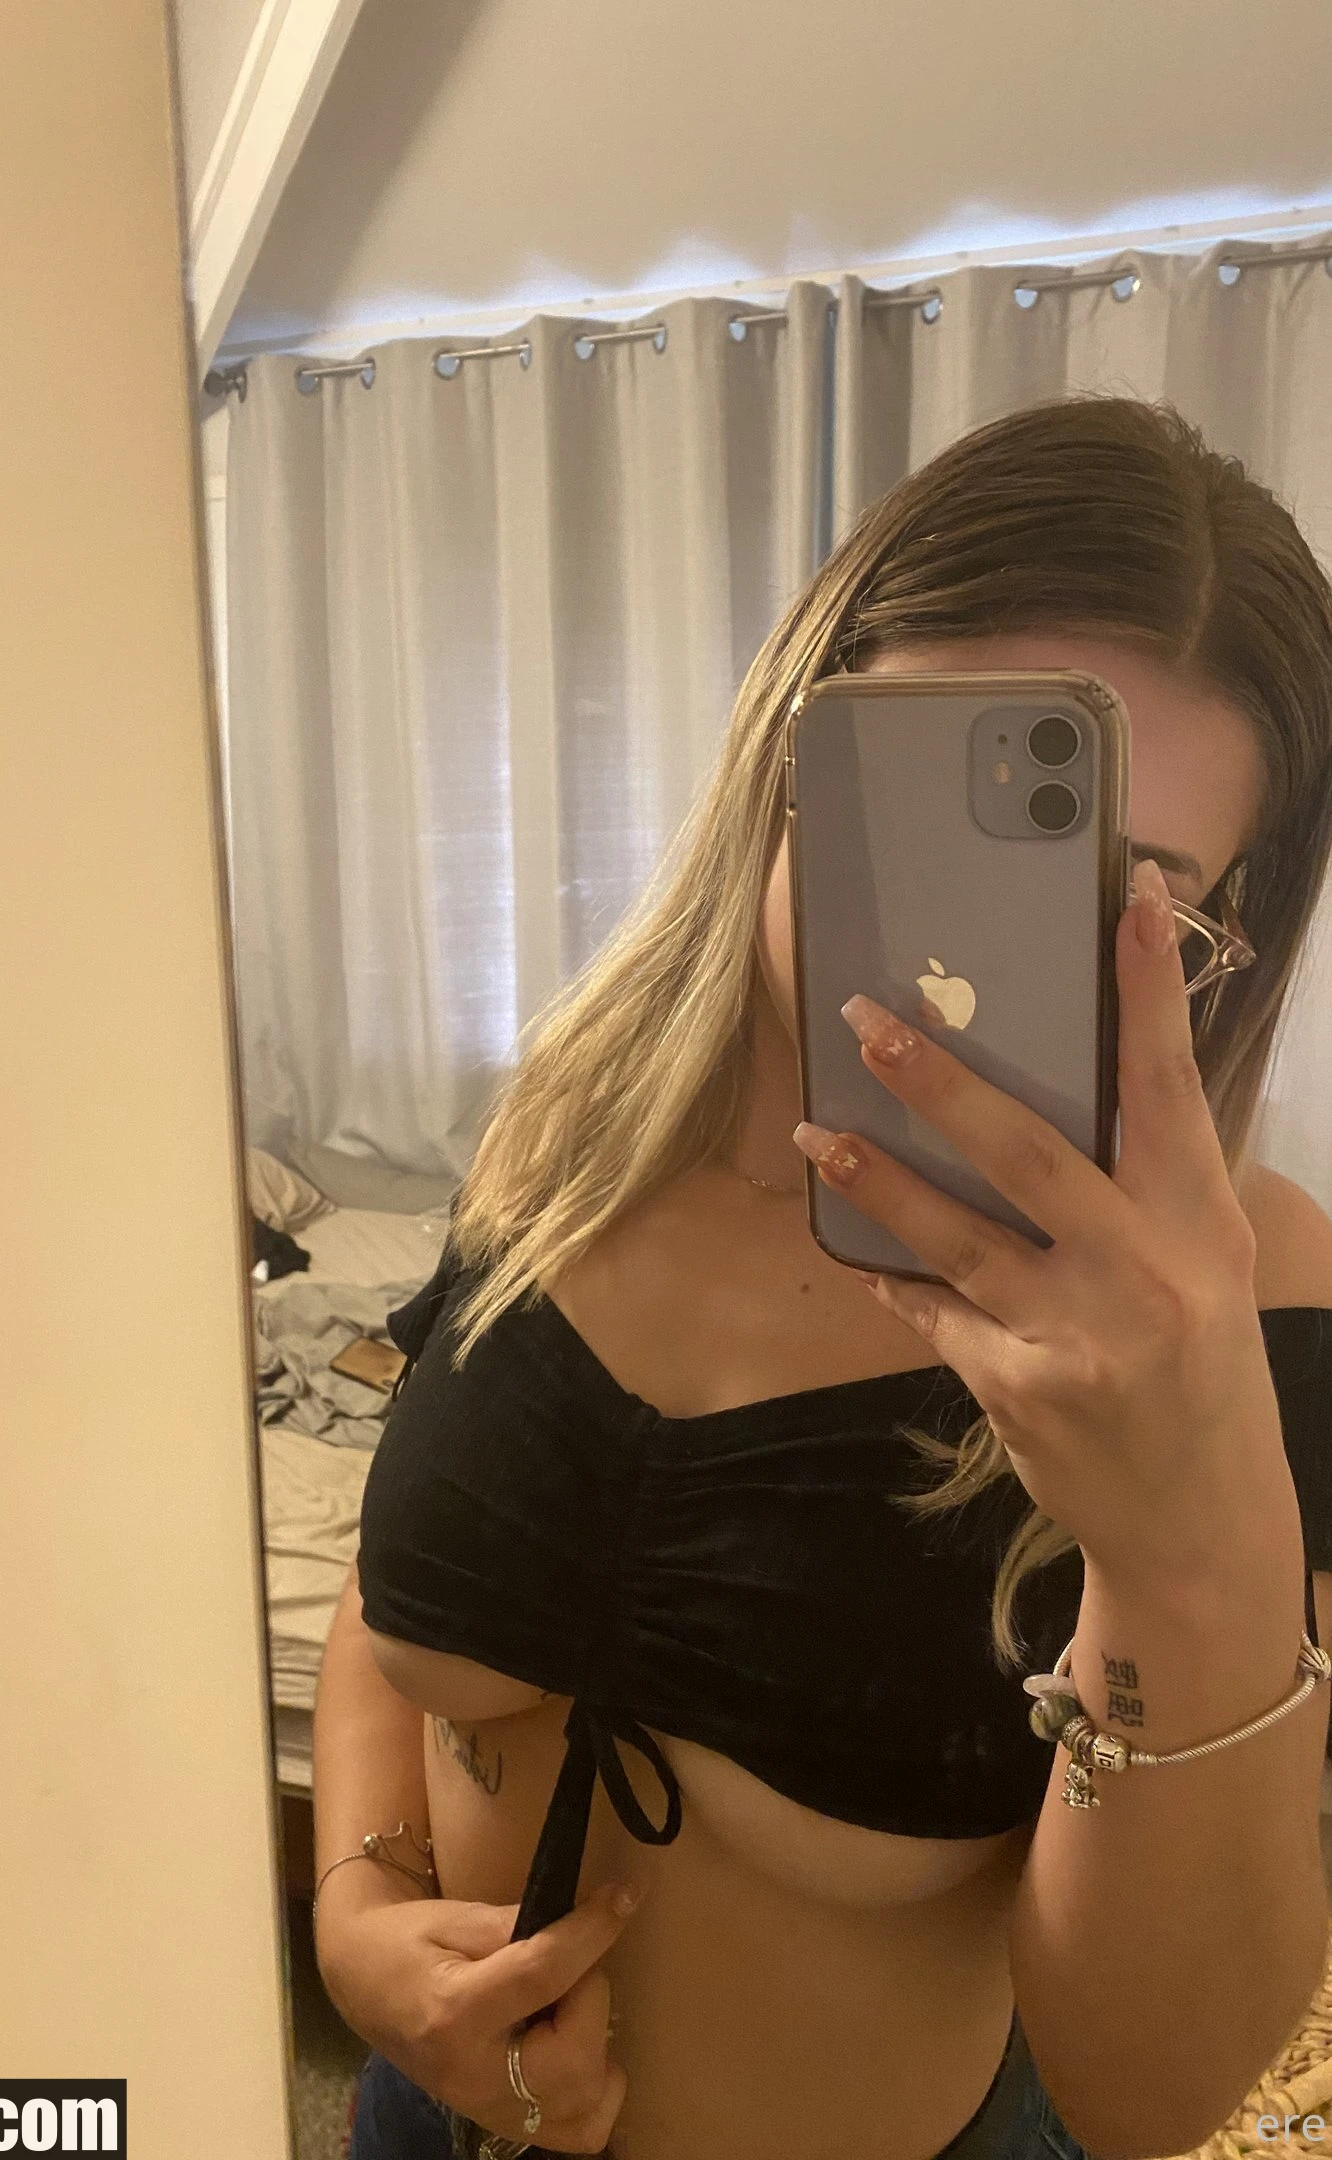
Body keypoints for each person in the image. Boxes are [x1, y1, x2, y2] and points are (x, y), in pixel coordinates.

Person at [310, 398, 1332, 2160]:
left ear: (1218, 945)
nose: (976, 954)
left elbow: (1150, 2094)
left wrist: (1188, 1543)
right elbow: (387, 1609)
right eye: (936, 820)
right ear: (788, 758)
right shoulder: (569, 1127)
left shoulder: (1244, 1313)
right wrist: (355, 1911)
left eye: (1129, 897)